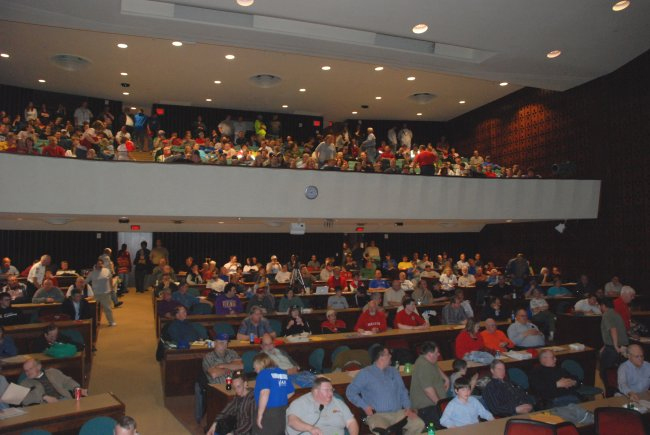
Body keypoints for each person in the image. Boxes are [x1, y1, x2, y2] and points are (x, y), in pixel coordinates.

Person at [346, 344, 425, 435]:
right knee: (383, 431)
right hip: (378, 415)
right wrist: (365, 406)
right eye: (388, 354)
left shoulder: (394, 371)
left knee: (419, 424)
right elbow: (350, 392)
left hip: (398, 413)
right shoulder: (365, 373)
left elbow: (403, 391)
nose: (391, 356)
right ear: (381, 357)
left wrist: (408, 408)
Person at [286, 376, 359, 435]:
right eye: (327, 390)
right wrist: (310, 428)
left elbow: (351, 422)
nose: (330, 393)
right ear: (315, 391)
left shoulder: (338, 402)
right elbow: (292, 421)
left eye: (331, 390)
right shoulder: (301, 402)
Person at [409, 341, 449, 428]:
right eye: (436, 352)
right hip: (427, 408)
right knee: (443, 427)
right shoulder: (424, 366)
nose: (438, 354)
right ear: (430, 354)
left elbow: (436, 366)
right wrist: (440, 407)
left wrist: (446, 378)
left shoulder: (428, 360)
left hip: (432, 406)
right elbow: (428, 390)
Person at [252, 353, 294, 435]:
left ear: (259, 364)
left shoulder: (263, 374)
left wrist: (260, 415)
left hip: (268, 412)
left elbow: (264, 393)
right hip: (282, 411)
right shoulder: (282, 373)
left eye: (255, 367)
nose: (254, 370)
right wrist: (278, 398)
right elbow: (291, 392)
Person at [20, 357, 87, 405]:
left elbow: (67, 381)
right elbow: (24, 400)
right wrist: (44, 397)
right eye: (26, 370)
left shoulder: (52, 372)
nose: (28, 372)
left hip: (65, 400)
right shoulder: (25, 383)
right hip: (46, 407)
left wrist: (76, 388)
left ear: (39, 367)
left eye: (30, 369)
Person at [206, 370, 254, 435]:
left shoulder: (252, 398)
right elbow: (226, 410)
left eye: (238, 386)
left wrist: (233, 433)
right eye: (234, 388)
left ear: (245, 384)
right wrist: (214, 424)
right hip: (237, 430)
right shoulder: (238, 397)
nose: (236, 390)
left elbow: (250, 423)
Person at [599, 298, 629, 386]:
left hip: (614, 348)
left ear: (603, 306)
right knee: (618, 373)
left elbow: (613, 329)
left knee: (605, 373)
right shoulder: (615, 313)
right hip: (620, 346)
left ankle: (610, 395)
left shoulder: (607, 314)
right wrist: (604, 346)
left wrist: (615, 346)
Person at [86, 258, 117, 326]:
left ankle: (111, 322)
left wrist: (111, 289)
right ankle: (94, 323)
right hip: (95, 294)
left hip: (105, 293)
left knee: (107, 309)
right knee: (94, 309)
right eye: (98, 264)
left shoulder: (107, 271)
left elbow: (110, 279)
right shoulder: (92, 273)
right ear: (95, 265)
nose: (100, 265)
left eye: (101, 263)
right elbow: (86, 281)